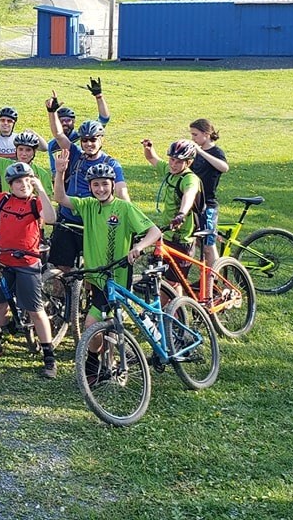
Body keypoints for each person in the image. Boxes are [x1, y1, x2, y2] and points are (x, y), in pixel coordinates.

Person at [53, 156, 162, 387]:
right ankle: (104, 365)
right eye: (95, 185)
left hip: (118, 276)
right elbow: (60, 198)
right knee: (104, 322)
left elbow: (154, 232)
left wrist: (139, 247)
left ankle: (102, 367)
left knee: (96, 321)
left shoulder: (124, 208)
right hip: (97, 276)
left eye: (104, 184)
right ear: (90, 187)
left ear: (113, 184)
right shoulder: (89, 206)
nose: (100, 188)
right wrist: (60, 173)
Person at [0, 162, 59, 378]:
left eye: (27, 180)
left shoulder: (36, 203)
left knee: (35, 310)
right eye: (18, 182)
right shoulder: (3, 199)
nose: (23, 185)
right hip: (4, 261)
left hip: (27, 263)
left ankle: (49, 357)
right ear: (11, 184)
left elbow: (51, 218)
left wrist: (41, 189)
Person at [48, 119, 130, 273]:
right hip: (68, 219)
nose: (88, 144)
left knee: (93, 269)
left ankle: (89, 294)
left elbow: (121, 191)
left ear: (101, 139)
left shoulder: (111, 164)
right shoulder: (76, 156)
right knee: (62, 266)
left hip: (94, 222)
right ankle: (64, 296)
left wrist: (129, 216)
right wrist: (51, 112)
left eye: (93, 139)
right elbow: (59, 135)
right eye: (84, 140)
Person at [142, 138, 203, 271]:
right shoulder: (170, 172)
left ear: (189, 162)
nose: (173, 164)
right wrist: (148, 148)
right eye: (171, 159)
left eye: (179, 161)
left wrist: (181, 214)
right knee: (165, 279)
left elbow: (189, 195)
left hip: (182, 237)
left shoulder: (190, 179)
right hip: (167, 233)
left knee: (173, 282)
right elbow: (152, 158)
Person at [46, 78, 112, 175]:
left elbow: (104, 118)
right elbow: (54, 169)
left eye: (68, 120)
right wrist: (52, 112)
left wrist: (99, 96)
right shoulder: (52, 144)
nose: (64, 123)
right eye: (61, 121)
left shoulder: (84, 135)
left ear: (74, 121)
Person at [188, 119, 229, 264]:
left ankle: (213, 281)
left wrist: (201, 152)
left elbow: (224, 167)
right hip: (195, 203)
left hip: (208, 204)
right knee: (199, 241)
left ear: (206, 134)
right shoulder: (195, 152)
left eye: (195, 135)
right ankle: (206, 276)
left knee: (208, 246)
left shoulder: (216, 152)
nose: (193, 138)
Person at [0, 130, 53, 197]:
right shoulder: (5, 164)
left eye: (28, 150)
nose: (24, 153)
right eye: (20, 149)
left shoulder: (43, 174)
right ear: (16, 150)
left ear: (34, 152)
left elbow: (47, 201)